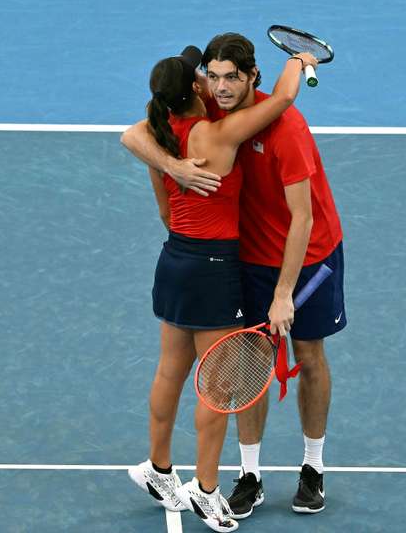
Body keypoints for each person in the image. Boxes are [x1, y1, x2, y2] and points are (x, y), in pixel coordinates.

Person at [121, 32, 346, 519]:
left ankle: (313, 467)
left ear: (251, 77)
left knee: (307, 355)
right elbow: (135, 134)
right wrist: (176, 168)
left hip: (306, 255)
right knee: (247, 363)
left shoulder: (284, 128)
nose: (220, 87)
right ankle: (248, 474)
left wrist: (285, 294)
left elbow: (302, 219)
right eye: (213, 76)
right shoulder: (213, 122)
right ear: (200, 84)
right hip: (243, 257)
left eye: (230, 78)